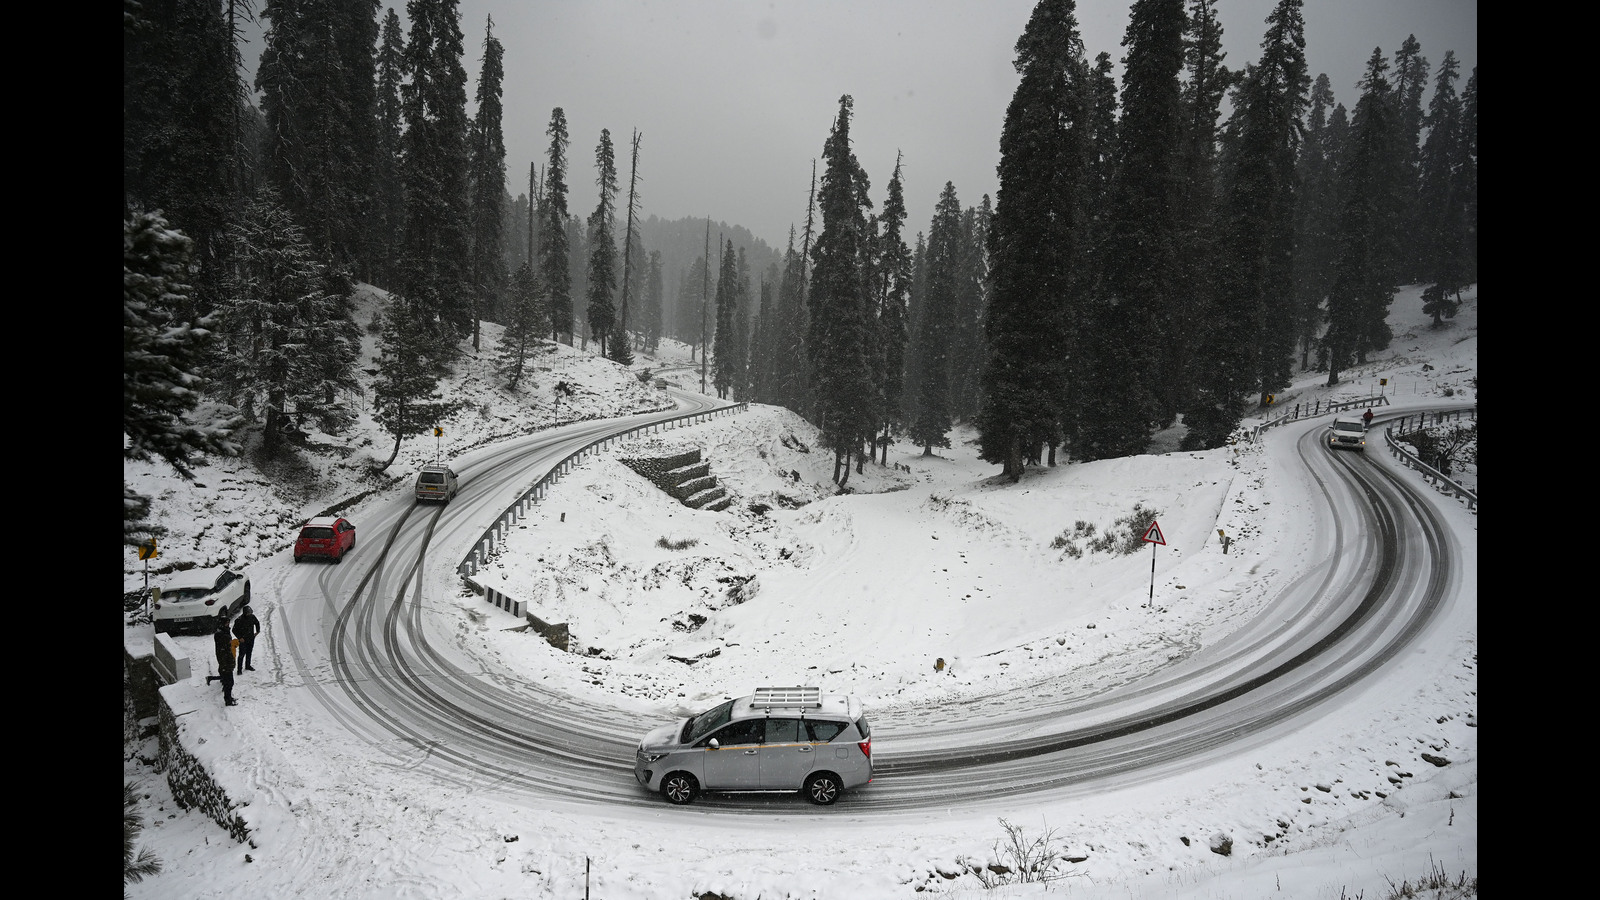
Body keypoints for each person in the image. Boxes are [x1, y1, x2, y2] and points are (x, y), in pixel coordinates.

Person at [212, 610, 237, 706]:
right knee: (229, 683)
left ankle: (229, 698)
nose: (228, 624)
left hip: (225, 662)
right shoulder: (222, 635)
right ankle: (228, 700)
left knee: (228, 682)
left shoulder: (222, 633)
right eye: (227, 623)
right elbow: (225, 651)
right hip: (226, 662)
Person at [233, 605, 260, 673]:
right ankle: (239, 669)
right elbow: (234, 630)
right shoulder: (239, 620)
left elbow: (257, 623)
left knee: (249, 653)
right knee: (241, 655)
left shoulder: (252, 617)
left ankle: (248, 665)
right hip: (243, 640)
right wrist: (240, 638)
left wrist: (257, 631)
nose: (249, 614)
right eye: (248, 613)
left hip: (251, 638)